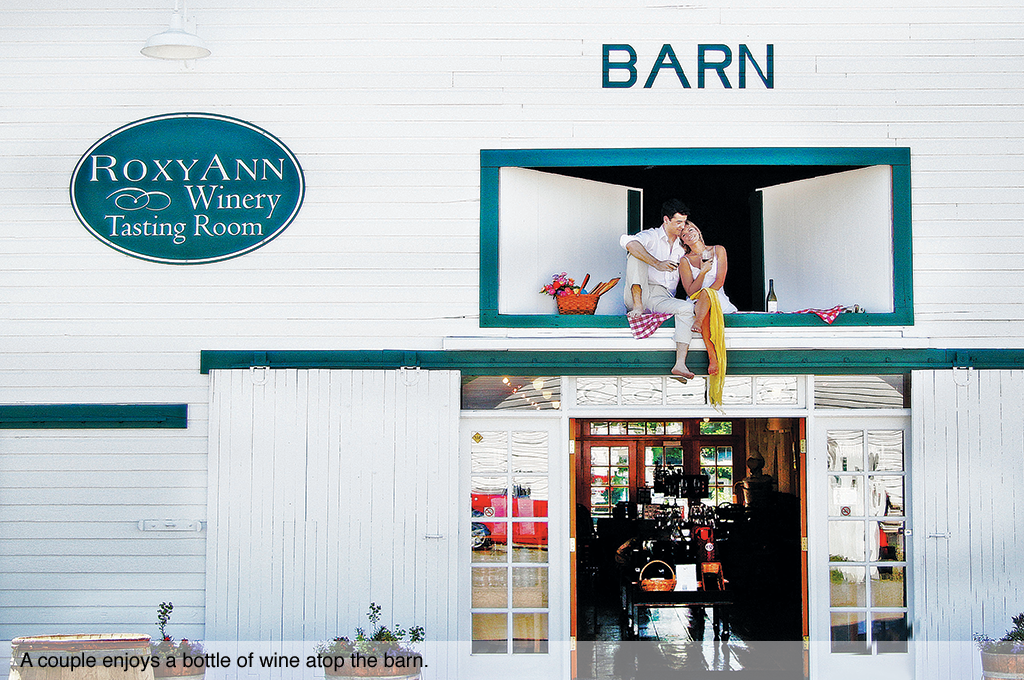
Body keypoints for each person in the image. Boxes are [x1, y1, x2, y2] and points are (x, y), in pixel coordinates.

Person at [620, 198, 697, 379]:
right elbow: (628, 241)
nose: (682, 226)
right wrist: (657, 263)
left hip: (661, 298)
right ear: (666, 220)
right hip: (639, 291)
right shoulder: (651, 236)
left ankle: (680, 364)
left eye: (684, 222)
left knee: (687, 308)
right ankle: (638, 307)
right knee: (635, 254)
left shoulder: (682, 246)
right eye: (678, 222)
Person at [679, 222, 737, 396]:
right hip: (694, 300)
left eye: (690, 229)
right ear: (682, 241)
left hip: (717, 296)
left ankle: (699, 323)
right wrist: (703, 272)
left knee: (708, 295)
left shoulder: (718, 250)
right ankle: (712, 357)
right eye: (683, 234)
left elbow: (719, 280)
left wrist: (707, 294)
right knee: (703, 297)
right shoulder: (685, 260)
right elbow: (690, 290)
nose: (688, 234)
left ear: (698, 230)